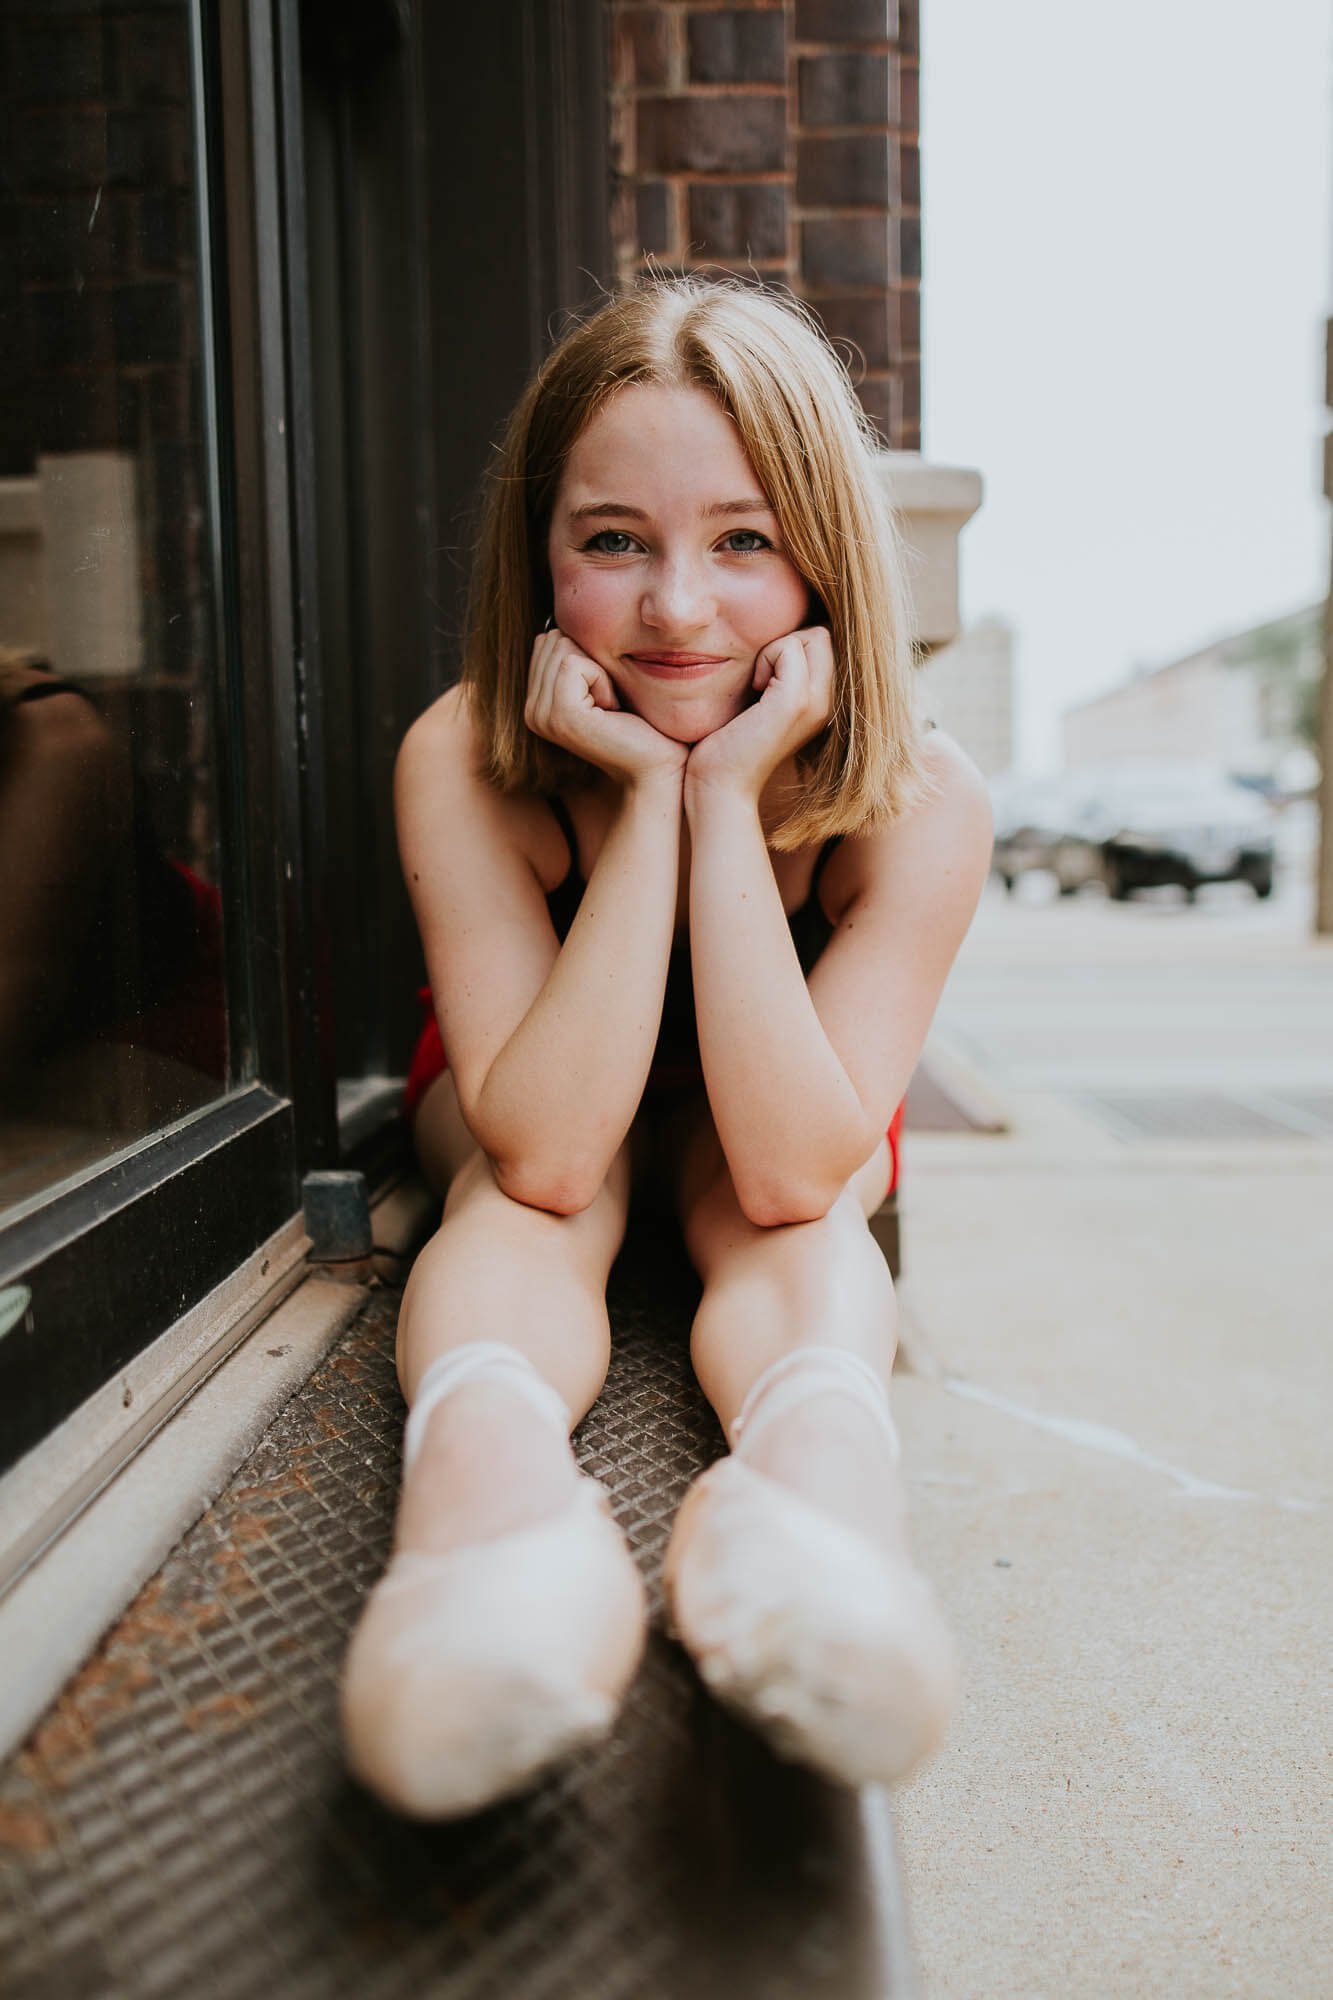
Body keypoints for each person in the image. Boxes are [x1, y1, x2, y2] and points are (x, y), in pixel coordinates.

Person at [340, 277, 993, 1820]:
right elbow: (550, 1146)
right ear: (540, 556)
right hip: (532, 1101)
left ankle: (817, 1521)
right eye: (613, 541)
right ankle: (488, 1530)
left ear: (824, 554)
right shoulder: (464, 751)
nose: (678, 610)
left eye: (743, 541)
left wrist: (728, 796)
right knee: (519, 1203)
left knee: (795, 1223)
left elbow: (788, 1171)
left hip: (776, 1127)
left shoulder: (920, 797)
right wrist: (648, 800)